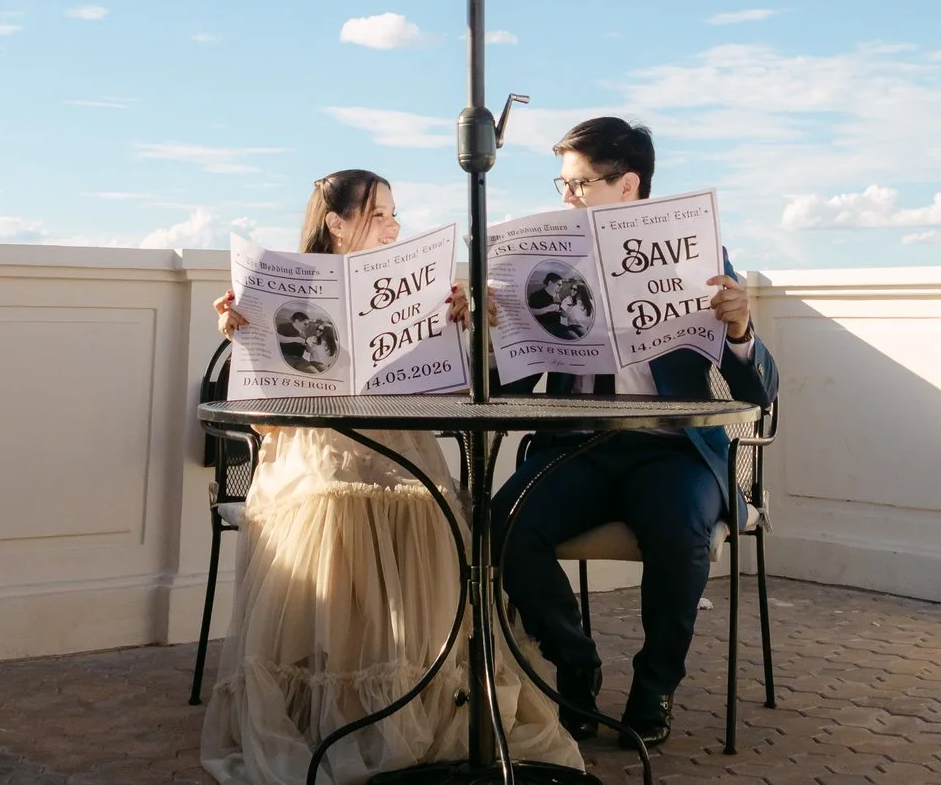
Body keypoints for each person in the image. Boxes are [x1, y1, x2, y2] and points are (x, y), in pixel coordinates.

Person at [201, 170, 584, 785]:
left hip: (402, 443)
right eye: (380, 215)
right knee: (335, 504)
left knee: (427, 506)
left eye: (395, 214)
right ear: (337, 222)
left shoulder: (413, 289)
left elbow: (457, 386)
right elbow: (268, 421)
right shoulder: (293, 287)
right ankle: (341, 706)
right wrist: (243, 337)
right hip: (313, 445)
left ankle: (423, 689)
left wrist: (464, 327)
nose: (394, 226)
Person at [495, 118, 778, 750]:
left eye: (578, 184)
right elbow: (511, 396)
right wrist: (501, 333)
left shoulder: (699, 255)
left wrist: (739, 334)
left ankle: (654, 687)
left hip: (672, 447)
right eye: (561, 184)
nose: (565, 197)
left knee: (680, 533)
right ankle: (575, 661)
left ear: (628, 185)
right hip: (577, 446)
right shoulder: (544, 260)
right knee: (503, 523)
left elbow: (760, 392)